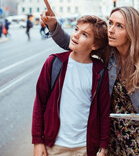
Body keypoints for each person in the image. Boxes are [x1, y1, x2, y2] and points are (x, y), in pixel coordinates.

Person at [41, 0, 139, 155]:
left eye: (119, 26)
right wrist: (53, 25)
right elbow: (74, 43)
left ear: (131, 32)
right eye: (110, 23)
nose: (111, 30)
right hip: (115, 133)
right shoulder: (108, 52)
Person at [32, 15, 110, 156]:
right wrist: (38, 142)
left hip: (86, 147)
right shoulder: (54, 63)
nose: (75, 35)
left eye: (84, 34)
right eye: (76, 29)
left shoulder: (100, 71)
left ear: (94, 45)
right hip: (55, 146)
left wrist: (103, 146)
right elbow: (39, 103)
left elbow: (103, 111)